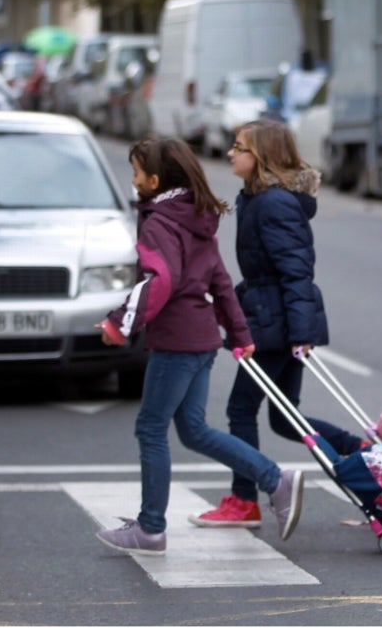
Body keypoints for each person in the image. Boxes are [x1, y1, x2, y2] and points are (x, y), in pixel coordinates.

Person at [93, 137, 303, 555]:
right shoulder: (195, 216)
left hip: (177, 340)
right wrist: (239, 336)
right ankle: (274, 480)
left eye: (136, 173)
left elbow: (159, 280)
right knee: (193, 430)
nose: (133, 181)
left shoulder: (158, 222)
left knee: (151, 428)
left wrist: (119, 324)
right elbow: (220, 280)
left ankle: (151, 528)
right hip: (202, 338)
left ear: (154, 180)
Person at [189, 120, 364, 529]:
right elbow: (264, 273)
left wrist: (300, 334)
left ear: (261, 156)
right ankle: (361, 449)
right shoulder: (256, 199)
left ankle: (244, 499)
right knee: (285, 419)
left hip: (278, 325)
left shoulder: (273, 204)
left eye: (239, 147)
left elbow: (296, 272)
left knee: (240, 409)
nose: (231, 153)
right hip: (272, 316)